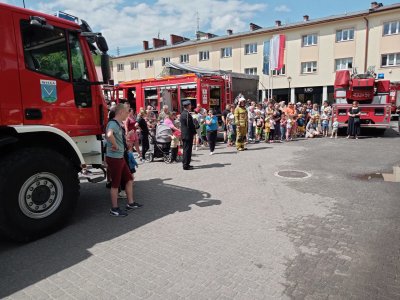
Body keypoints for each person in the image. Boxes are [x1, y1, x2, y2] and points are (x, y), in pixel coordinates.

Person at [105, 103, 142, 217]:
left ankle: (130, 203)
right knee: (115, 184)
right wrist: (115, 144)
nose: (128, 114)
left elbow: (113, 135)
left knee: (129, 179)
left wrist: (125, 139)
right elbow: (109, 134)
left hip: (120, 157)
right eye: (126, 112)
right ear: (120, 112)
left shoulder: (117, 123)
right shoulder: (113, 123)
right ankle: (114, 209)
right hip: (115, 158)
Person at [180, 100, 196, 170]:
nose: (190, 106)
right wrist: (194, 131)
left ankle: (186, 163)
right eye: (190, 105)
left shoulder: (183, 113)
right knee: (187, 150)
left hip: (185, 134)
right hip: (187, 134)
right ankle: (186, 165)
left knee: (186, 150)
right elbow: (190, 125)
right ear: (188, 106)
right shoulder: (186, 114)